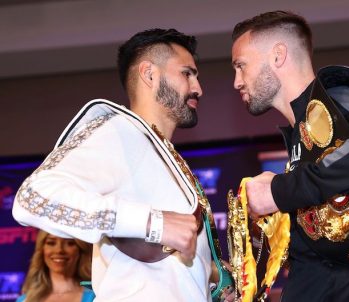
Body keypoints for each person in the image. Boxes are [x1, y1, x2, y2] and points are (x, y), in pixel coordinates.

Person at [13, 28, 232, 301]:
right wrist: (154, 223)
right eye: (187, 73)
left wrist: (213, 286)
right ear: (150, 74)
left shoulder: (161, 153)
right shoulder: (119, 132)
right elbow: (32, 198)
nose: (198, 88)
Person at [231, 11, 349, 302]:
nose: (237, 81)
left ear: (277, 56)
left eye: (241, 66)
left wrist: (280, 190)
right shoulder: (301, 138)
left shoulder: (336, 101)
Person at [17, 230, 94, 302]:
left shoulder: (95, 296)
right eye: (51, 243)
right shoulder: (25, 300)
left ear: (80, 250)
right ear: (42, 249)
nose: (59, 250)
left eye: (70, 243)